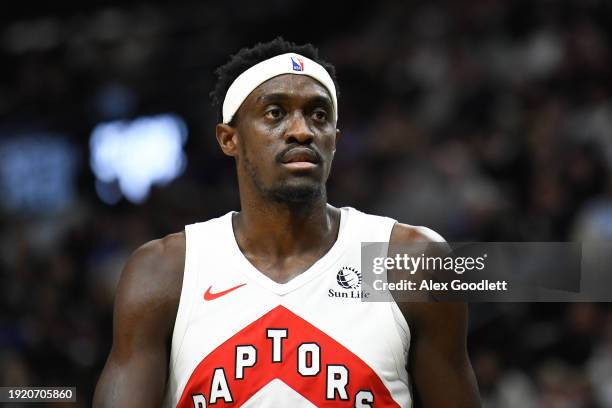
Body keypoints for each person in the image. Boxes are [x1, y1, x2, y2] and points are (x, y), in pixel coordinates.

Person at [93, 37, 481, 407]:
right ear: (229, 139)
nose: (301, 130)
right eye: (275, 113)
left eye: (318, 115)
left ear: (335, 139)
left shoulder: (407, 261)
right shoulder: (165, 272)